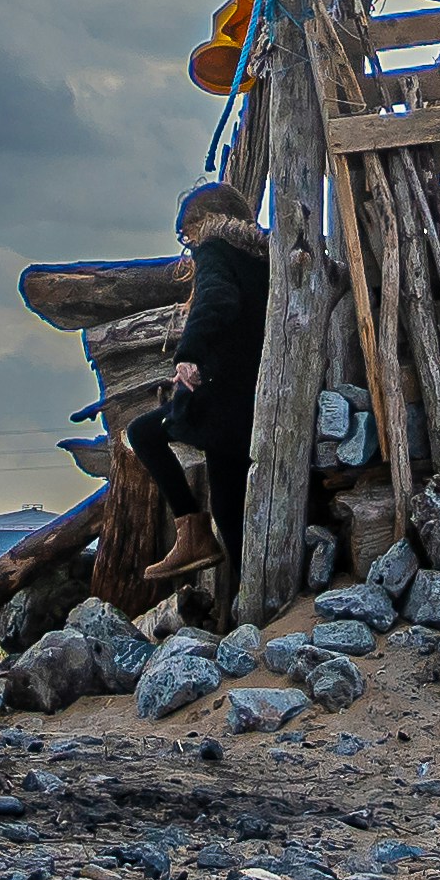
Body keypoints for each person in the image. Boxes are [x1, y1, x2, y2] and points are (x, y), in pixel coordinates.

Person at [132, 182, 269, 585]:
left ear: (203, 222)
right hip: (255, 394)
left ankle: (193, 534)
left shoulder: (214, 250)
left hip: (224, 394)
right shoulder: (262, 256)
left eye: (187, 235)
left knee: (143, 432)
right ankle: (253, 598)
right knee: (229, 502)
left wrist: (188, 352)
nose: (188, 246)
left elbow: (217, 299)